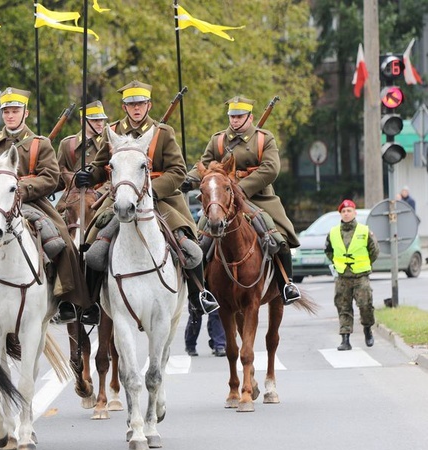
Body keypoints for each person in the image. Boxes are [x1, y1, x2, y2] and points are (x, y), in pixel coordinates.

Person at [78, 80, 219, 317]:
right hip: (121, 198)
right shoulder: (111, 132)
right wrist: (89, 175)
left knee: (190, 248)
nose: (136, 108)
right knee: (93, 250)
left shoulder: (163, 133)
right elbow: (102, 167)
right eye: (131, 104)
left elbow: (177, 170)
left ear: (149, 105)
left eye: (141, 103)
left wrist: (151, 190)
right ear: (124, 107)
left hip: (159, 198)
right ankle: (90, 304)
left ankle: (198, 295)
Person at [0, 86, 91, 324]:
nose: (10, 115)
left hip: (32, 203)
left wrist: (20, 189)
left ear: (25, 113)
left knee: (61, 241)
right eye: (6, 111)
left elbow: (51, 177)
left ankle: (66, 296)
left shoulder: (40, 144)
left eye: (15, 110)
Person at [184, 95, 301, 305]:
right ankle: (202, 292)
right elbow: (204, 164)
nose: (235, 121)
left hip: (257, 196)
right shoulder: (218, 140)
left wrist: (240, 189)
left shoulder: (264, 138)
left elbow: (270, 169)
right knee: (201, 237)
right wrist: (189, 180)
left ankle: (286, 284)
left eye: (239, 116)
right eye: (232, 116)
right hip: (223, 198)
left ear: (250, 117)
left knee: (277, 236)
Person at [325, 199, 379, 351]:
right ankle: (345, 339)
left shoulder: (364, 231)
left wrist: (365, 264)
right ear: (340, 214)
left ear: (354, 213)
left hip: (360, 276)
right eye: (343, 211)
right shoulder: (334, 232)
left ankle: (367, 329)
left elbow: (374, 251)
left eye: (349, 211)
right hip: (342, 276)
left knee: (365, 305)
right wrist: (338, 263)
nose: (346, 213)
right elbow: (329, 251)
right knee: (343, 307)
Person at [55, 100, 108, 194]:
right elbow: (59, 180)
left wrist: (99, 194)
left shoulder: (108, 144)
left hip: (100, 198)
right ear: (83, 121)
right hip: (72, 198)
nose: (100, 123)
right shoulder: (67, 144)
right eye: (95, 120)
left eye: (101, 120)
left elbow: (112, 177)